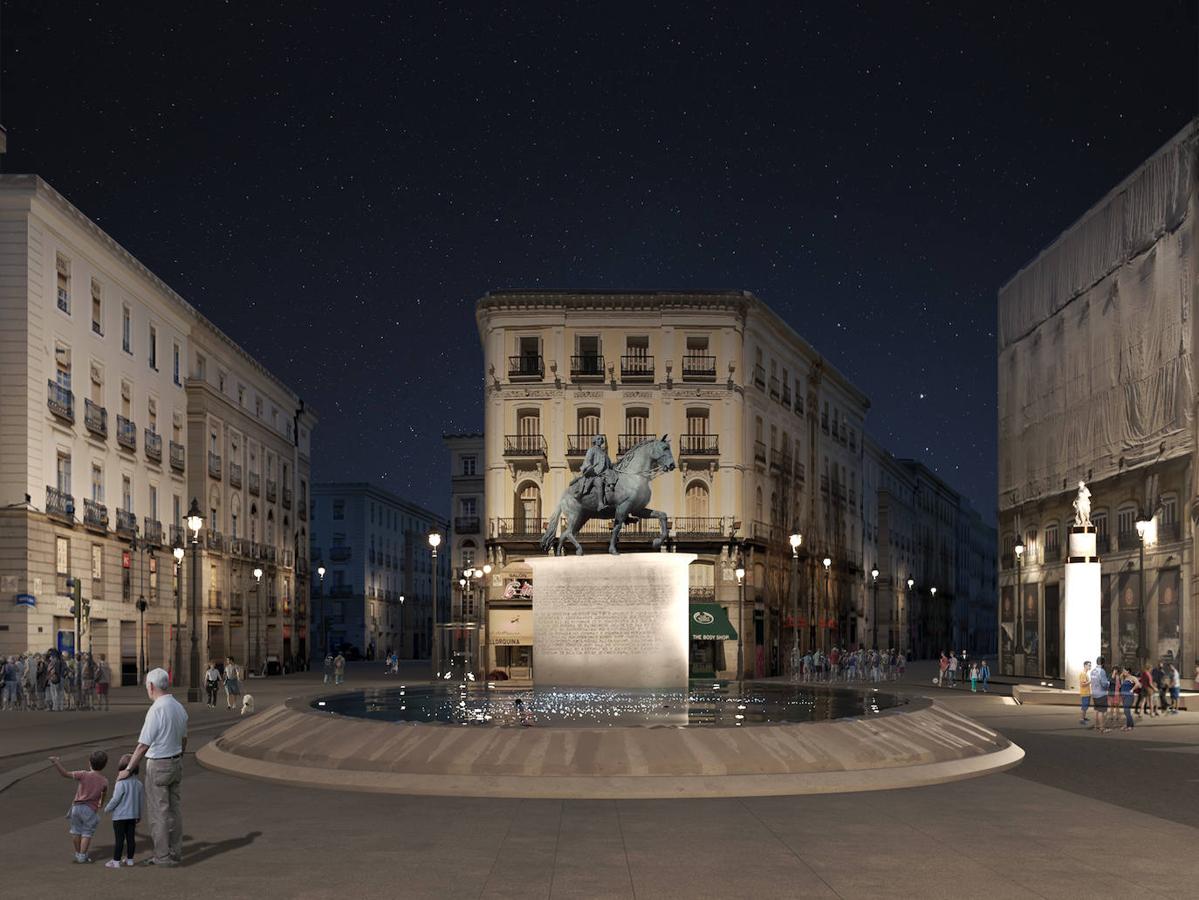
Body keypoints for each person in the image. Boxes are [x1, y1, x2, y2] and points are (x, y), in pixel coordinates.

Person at [117, 667, 188, 866]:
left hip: (159, 764)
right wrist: (179, 756)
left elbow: (142, 746)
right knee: (175, 810)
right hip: (176, 762)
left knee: (159, 812)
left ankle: (162, 856)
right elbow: (184, 739)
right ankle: (175, 851)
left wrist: (128, 769)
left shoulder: (156, 710)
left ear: (150, 686)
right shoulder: (178, 706)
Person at [49, 750, 108, 863]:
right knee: (87, 832)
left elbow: (64, 774)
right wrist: (100, 803)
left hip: (76, 807)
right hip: (90, 809)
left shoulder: (83, 774)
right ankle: (82, 855)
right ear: (104, 765)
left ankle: (77, 853)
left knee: (76, 831)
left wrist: (56, 762)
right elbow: (103, 794)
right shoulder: (104, 781)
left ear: (89, 762)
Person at [104, 753, 144, 868]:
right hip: (133, 815)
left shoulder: (120, 783)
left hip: (120, 816)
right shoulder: (139, 784)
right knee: (131, 838)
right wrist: (139, 815)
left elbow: (115, 799)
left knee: (119, 839)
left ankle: (116, 861)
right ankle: (130, 859)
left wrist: (107, 808)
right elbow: (140, 801)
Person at [1090, 656, 1110, 733]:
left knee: (1096, 710)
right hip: (1101, 694)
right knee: (1102, 711)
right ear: (1103, 663)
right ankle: (1102, 728)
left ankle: (1096, 726)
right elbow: (1104, 684)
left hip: (1094, 693)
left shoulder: (1093, 671)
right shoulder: (1102, 671)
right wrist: (1108, 683)